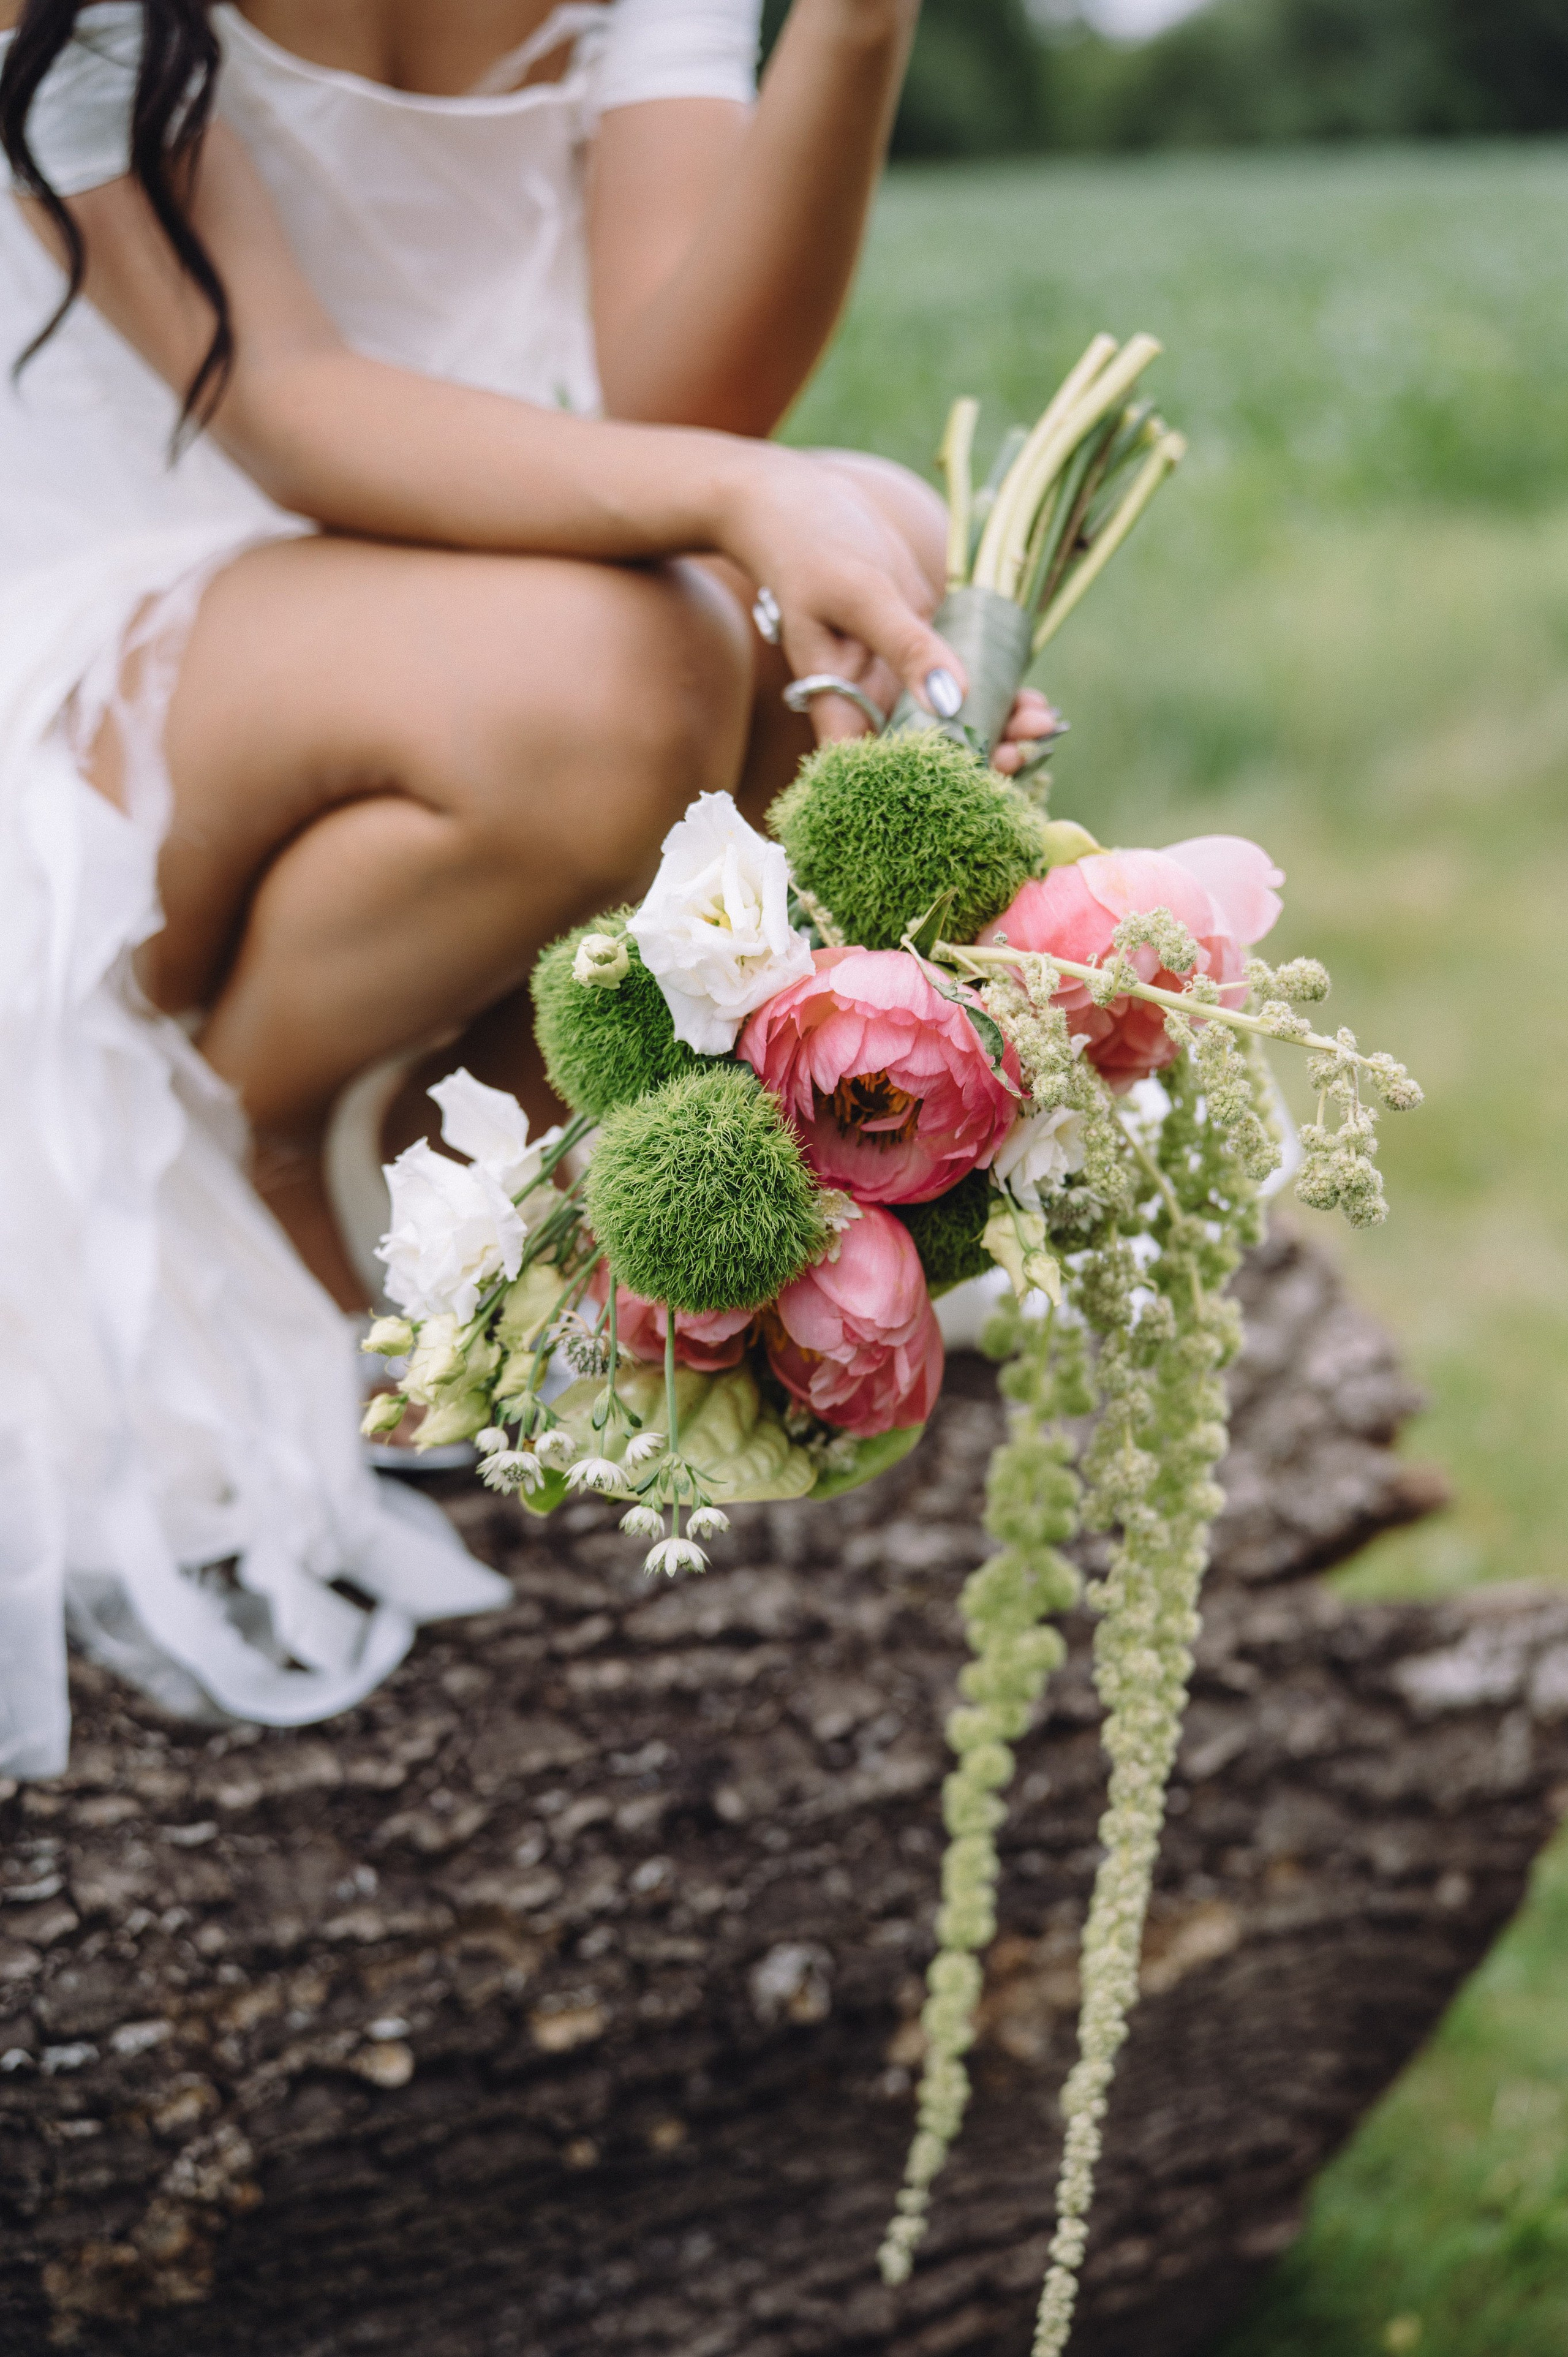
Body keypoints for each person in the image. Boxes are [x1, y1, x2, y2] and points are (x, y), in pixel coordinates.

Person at [0, 0, 1056, 1771]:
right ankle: (260, 1126)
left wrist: (859, 26)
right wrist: (742, 494)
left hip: (450, 598)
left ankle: (476, 1126)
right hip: (110, 629)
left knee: (886, 547)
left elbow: (674, 393)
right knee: (621, 666)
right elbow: (288, 405)